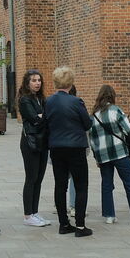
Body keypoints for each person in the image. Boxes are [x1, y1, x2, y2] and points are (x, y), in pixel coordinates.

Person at [88, 85, 130, 226]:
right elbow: (129, 129)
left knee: (106, 184)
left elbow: (92, 140)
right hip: (119, 153)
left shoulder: (94, 114)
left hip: (103, 155)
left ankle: (109, 215)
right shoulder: (115, 110)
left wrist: (96, 157)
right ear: (112, 96)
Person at [46, 66, 93, 235]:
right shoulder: (76, 102)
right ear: (71, 83)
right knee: (81, 186)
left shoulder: (48, 101)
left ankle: (63, 224)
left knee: (60, 185)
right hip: (76, 148)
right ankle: (80, 225)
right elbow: (87, 124)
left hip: (56, 147)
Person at [17, 69, 51, 227]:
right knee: (31, 178)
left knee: (39, 178)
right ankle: (27, 215)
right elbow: (34, 119)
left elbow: (44, 118)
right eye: (34, 80)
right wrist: (41, 117)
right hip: (30, 142)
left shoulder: (41, 98)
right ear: (27, 83)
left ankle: (35, 212)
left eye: (39, 80)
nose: (37, 83)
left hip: (43, 141)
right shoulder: (25, 99)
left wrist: (41, 117)